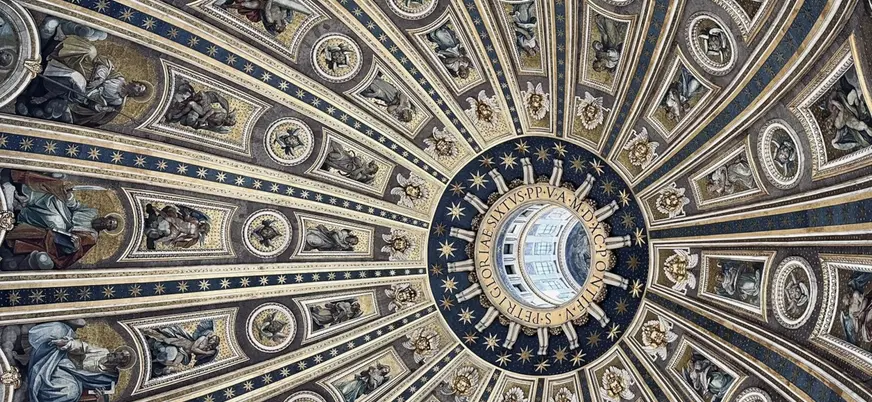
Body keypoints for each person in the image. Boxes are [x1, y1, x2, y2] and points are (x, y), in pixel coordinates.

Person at [1, 170, 118, 270]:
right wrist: (69, 197)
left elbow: (75, 252)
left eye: (108, 225)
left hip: (63, 231)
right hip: (66, 212)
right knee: (54, 198)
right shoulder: (92, 212)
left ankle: (22, 217)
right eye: (108, 221)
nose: (105, 223)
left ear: (105, 229)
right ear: (105, 217)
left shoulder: (92, 237)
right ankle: (23, 198)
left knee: (54, 218)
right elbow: (75, 206)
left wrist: (75, 244)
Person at [27, 322, 132, 402]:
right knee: (60, 329)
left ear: (122, 364)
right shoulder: (103, 351)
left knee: (70, 393)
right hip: (66, 358)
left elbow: (108, 393)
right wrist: (68, 344)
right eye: (120, 352)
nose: (118, 355)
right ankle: (25, 344)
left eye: (122, 357)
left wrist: (103, 398)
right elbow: (84, 347)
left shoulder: (110, 377)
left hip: (71, 376)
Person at [144, 320, 219, 376]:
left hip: (185, 353)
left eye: (215, 340)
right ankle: (147, 331)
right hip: (185, 343)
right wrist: (206, 352)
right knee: (164, 338)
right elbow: (193, 348)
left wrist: (209, 353)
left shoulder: (207, 348)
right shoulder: (203, 338)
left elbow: (197, 355)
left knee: (174, 363)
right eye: (213, 338)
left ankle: (155, 364)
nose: (213, 340)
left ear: (215, 343)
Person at [826, 69, 872, 152]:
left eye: (828, 120)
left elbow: (840, 106)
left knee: (853, 96)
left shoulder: (833, 112)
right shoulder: (838, 124)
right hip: (852, 120)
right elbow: (842, 108)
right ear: (832, 124)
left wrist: (832, 102)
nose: (829, 119)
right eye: (830, 122)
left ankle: (860, 99)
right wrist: (834, 102)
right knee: (865, 126)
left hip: (851, 110)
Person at [215, 0, 311, 34]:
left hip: (262, 4)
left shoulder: (270, 19)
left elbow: (267, 9)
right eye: (280, 26)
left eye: (277, 27)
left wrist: (270, 1)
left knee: (247, 4)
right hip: (273, 2)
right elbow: (285, 6)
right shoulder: (285, 16)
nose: (278, 25)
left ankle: (227, 6)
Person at [143, 203, 210, 250]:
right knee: (167, 218)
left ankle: (155, 241)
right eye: (203, 226)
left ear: (203, 231)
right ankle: (156, 210)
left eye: (204, 229)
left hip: (178, 230)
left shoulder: (195, 235)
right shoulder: (196, 222)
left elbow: (184, 237)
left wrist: (176, 240)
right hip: (179, 222)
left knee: (170, 236)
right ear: (203, 225)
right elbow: (187, 219)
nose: (202, 228)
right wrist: (187, 214)